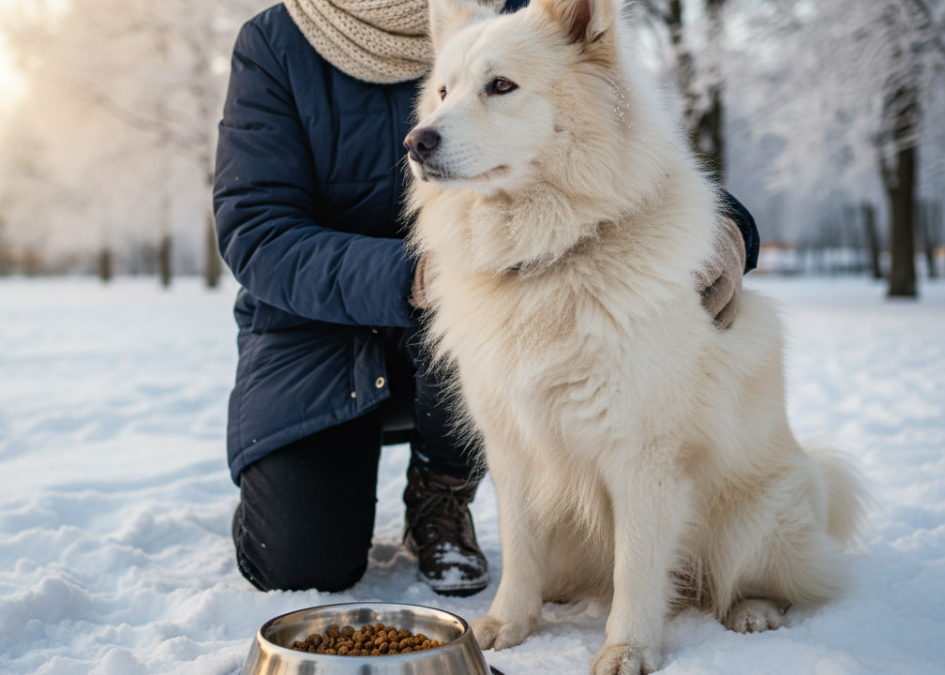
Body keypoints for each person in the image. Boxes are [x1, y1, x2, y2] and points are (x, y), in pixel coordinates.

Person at [212, 0, 760, 596]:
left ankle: (441, 490)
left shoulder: (518, 17)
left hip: (492, 302)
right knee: (300, 563)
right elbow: (257, 229)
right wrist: (416, 277)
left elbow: (618, 127)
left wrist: (729, 225)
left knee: (495, 327)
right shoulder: (276, 42)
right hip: (316, 330)